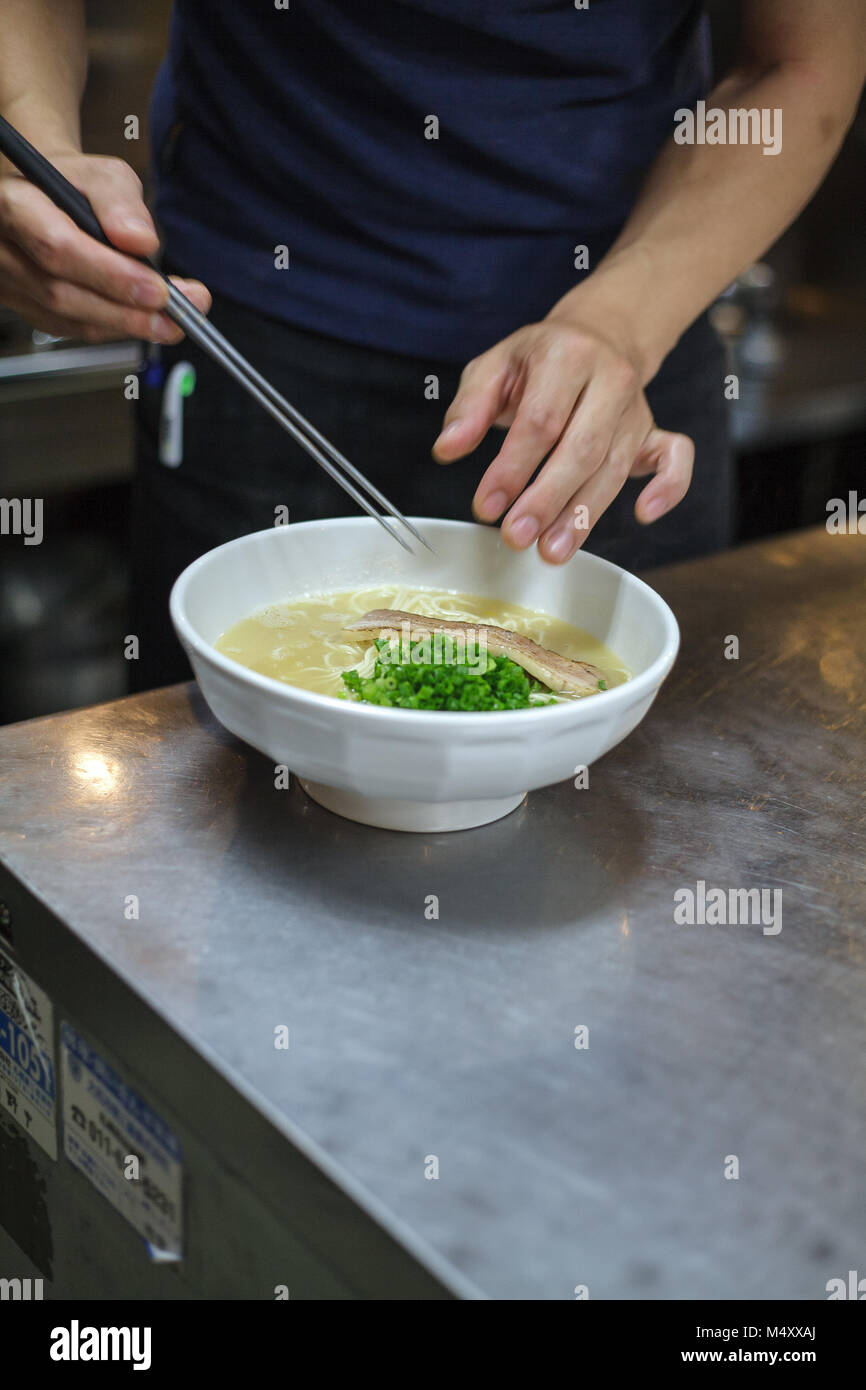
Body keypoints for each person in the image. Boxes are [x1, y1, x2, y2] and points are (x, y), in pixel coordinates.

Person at [1, 1, 864, 689]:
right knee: (215, 778)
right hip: (252, 343)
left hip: (615, 370)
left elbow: (803, 59)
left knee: (620, 792)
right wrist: (25, 133)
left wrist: (621, 323)